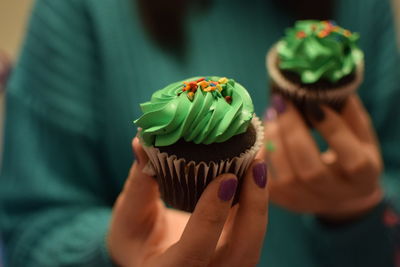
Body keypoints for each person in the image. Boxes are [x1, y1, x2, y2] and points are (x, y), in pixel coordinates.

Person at [0, 0, 399, 266]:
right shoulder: (77, 11)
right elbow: (28, 227)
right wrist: (113, 249)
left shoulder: (361, 9)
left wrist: (361, 210)